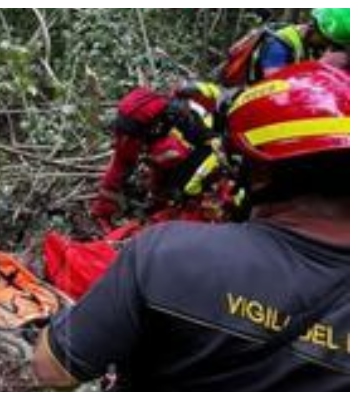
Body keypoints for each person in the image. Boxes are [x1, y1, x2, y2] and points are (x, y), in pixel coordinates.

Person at [32, 61, 349, 390]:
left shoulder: (166, 255)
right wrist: (105, 208)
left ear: (258, 173)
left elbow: (52, 369)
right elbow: (121, 167)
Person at [89, 81, 238, 230]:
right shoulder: (135, 130)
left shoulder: (185, 115)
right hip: (204, 146)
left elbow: (215, 146)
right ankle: (166, 197)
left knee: (180, 166)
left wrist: (189, 193)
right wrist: (102, 209)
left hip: (222, 146)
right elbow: (120, 165)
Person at [254, 8, 348, 80]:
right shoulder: (278, 45)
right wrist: (319, 66)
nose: (330, 47)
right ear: (314, 29)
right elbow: (273, 86)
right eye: (328, 42)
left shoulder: (316, 44)